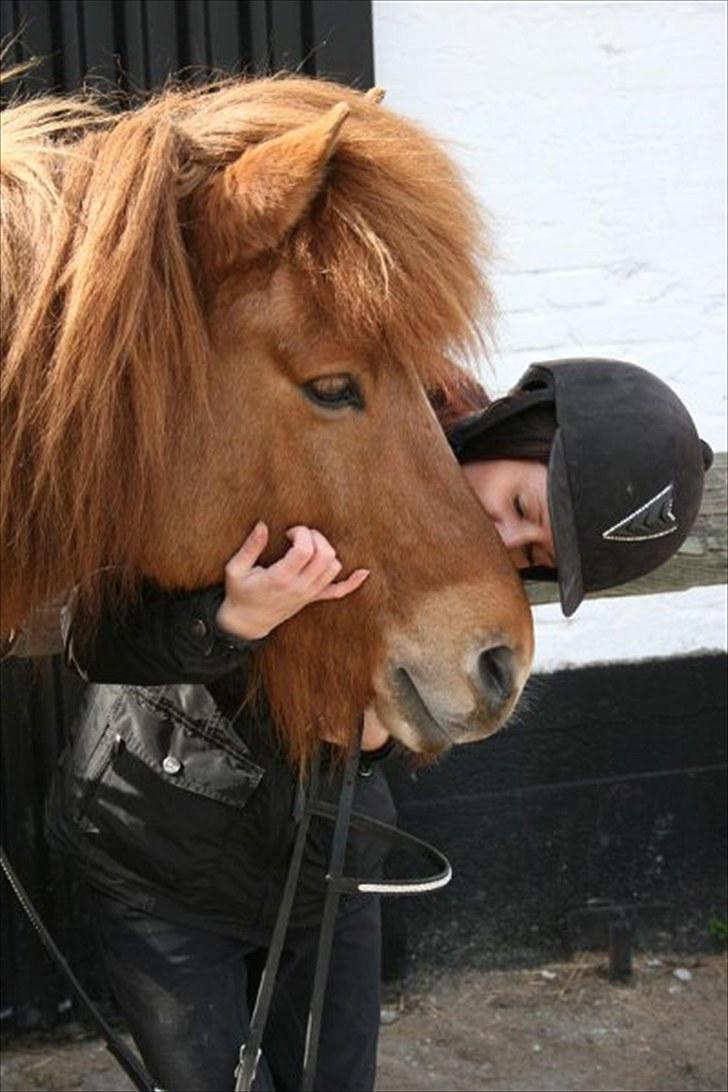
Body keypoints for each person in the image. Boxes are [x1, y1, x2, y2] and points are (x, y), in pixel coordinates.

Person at [41, 358, 711, 1092]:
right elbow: (89, 633)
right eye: (521, 504)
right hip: (160, 860)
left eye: (532, 556)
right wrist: (230, 621)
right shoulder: (318, 417)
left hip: (323, 868)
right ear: (520, 423)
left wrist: (370, 743)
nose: (503, 539)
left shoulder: (458, 567)